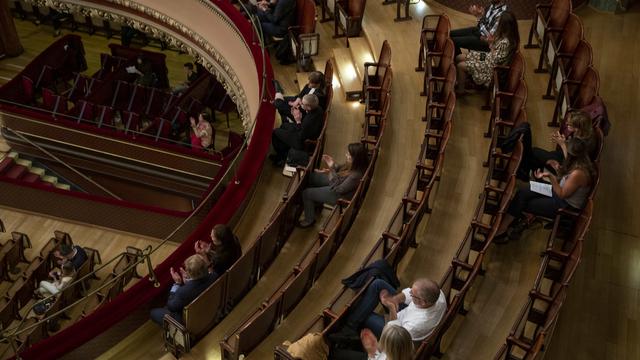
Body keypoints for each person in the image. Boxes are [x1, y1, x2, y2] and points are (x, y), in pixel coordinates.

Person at [494, 138, 595, 244]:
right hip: (556, 193)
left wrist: (550, 176)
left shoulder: (578, 173)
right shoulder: (579, 164)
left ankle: (502, 230)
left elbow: (562, 194)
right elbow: (565, 180)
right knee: (523, 192)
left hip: (563, 205)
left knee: (524, 203)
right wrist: (557, 169)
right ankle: (505, 227)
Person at [333, 278, 447, 341]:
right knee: (378, 284)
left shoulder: (417, 324)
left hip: (398, 333)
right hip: (405, 315)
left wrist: (392, 308)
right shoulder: (438, 294)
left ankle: (349, 329)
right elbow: (408, 294)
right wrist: (394, 299)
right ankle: (352, 326)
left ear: (422, 302)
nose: (410, 291)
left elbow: (393, 334)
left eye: (413, 294)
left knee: (360, 313)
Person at [298, 143, 368, 228]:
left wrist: (331, 170)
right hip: (337, 181)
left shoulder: (355, 175)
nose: (346, 155)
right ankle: (316, 204)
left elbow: (338, 189)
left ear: (355, 158)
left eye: (348, 154)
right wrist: (333, 165)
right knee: (312, 177)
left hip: (340, 196)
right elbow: (341, 168)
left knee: (306, 193)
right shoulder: (355, 164)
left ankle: (309, 220)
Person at [454, 11, 519, 94]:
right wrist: (491, 44)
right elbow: (494, 51)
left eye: (499, 22)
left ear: (504, 26)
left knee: (460, 65)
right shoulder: (505, 36)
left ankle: (461, 90)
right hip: (488, 58)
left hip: (490, 67)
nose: (497, 24)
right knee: (459, 57)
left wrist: (491, 47)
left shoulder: (505, 42)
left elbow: (495, 59)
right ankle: (462, 81)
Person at [150, 254, 217, 326]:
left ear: (189, 272)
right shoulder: (214, 276)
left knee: (154, 312)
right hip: (211, 308)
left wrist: (177, 284)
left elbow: (171, 306)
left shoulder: (183, 292)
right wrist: (190, 281)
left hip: (192, 322)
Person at [530, 110, 598, 174]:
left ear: (578, 128)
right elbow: (573, 150)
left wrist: (562, 144)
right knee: (545, 154)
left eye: (569, 124)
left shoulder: (581, 143)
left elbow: (570, 162)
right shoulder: (585, 132)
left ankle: (539, 179)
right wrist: (565, 141)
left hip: (570, 168)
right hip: (570, 158)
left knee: (535, 152)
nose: (566, 123)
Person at [270, 93, 324, 166]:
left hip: (301, 141)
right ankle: (284, 148)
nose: (300, 103)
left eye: (302, 103)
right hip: (305, 131)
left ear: (309, 108)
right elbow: (306, 124)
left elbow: (301, 135)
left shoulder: (308, 121)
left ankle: (281, 157)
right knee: (284, 125)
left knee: (275, 132)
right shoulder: (319, 108)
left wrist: (297, 120)